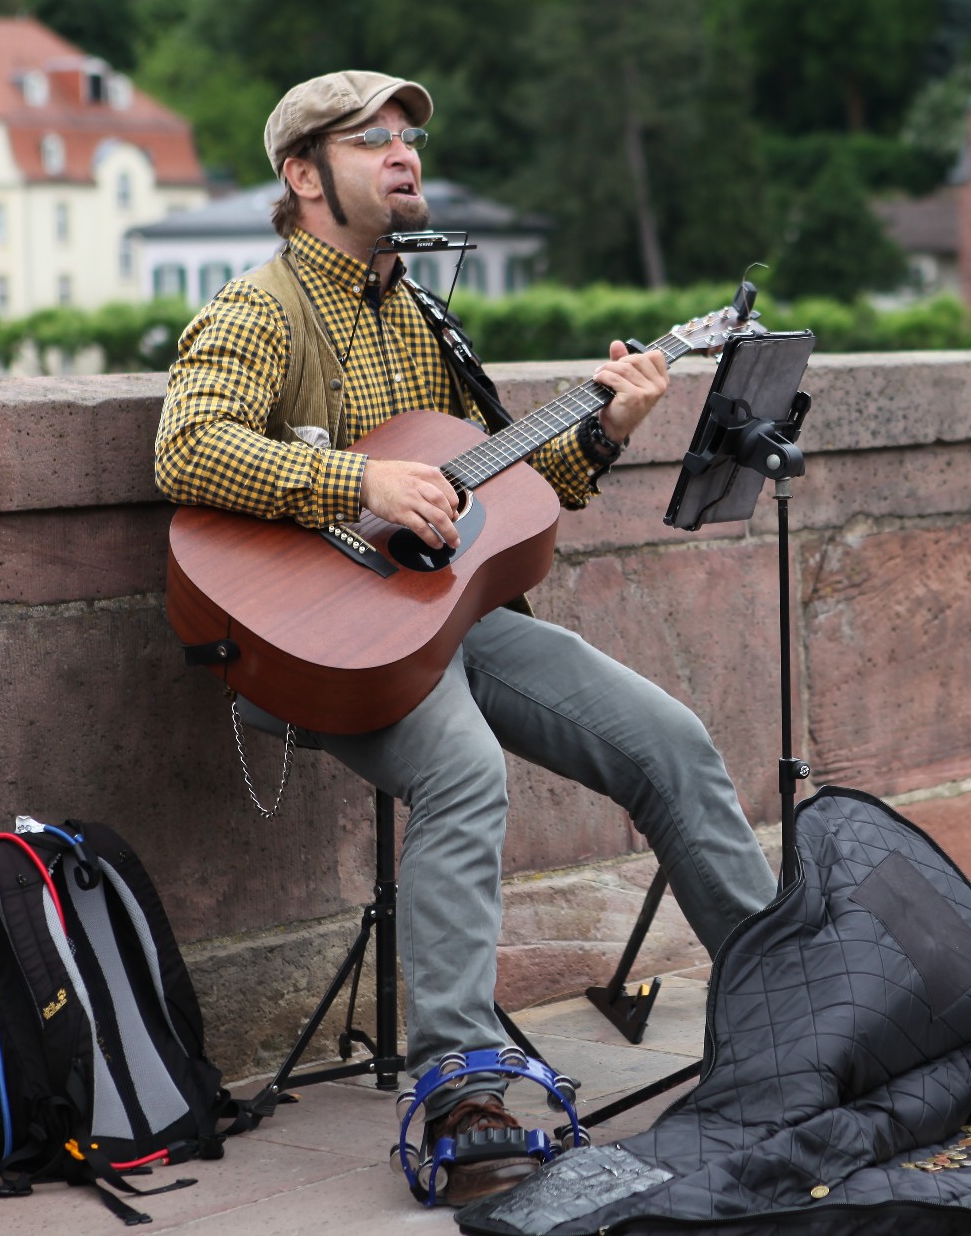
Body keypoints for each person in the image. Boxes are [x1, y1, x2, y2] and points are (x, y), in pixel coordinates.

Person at [153, 71, 775, 1205]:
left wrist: (608, 423)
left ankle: (790, 1000)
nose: (404, 155)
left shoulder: (418, 311)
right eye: (372, 140)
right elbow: (186, 451)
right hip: (319, 639)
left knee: (668, 740)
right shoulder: (257, 310)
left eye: (410, 140)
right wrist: (359, 481)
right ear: (302, 175)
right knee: (464, 774)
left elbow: (509, 489)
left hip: (445, 619)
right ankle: (459, 1090)